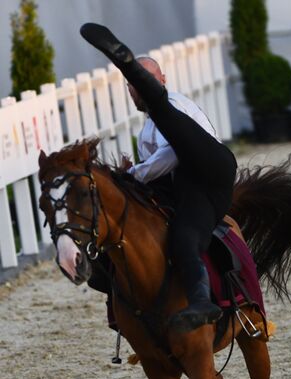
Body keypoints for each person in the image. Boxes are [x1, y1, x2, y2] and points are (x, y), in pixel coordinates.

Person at [80, 23, 238, 333]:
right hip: (192, 191)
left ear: (162, 79)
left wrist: (134, 174)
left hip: (210, 169)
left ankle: (124, 62)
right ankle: (198, 301)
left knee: (164, 111)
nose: (136, 89)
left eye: (145, 80)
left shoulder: (176, 103)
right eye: (133, 84)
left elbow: (171, 156)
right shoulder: (147, 130)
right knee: (183, 236)